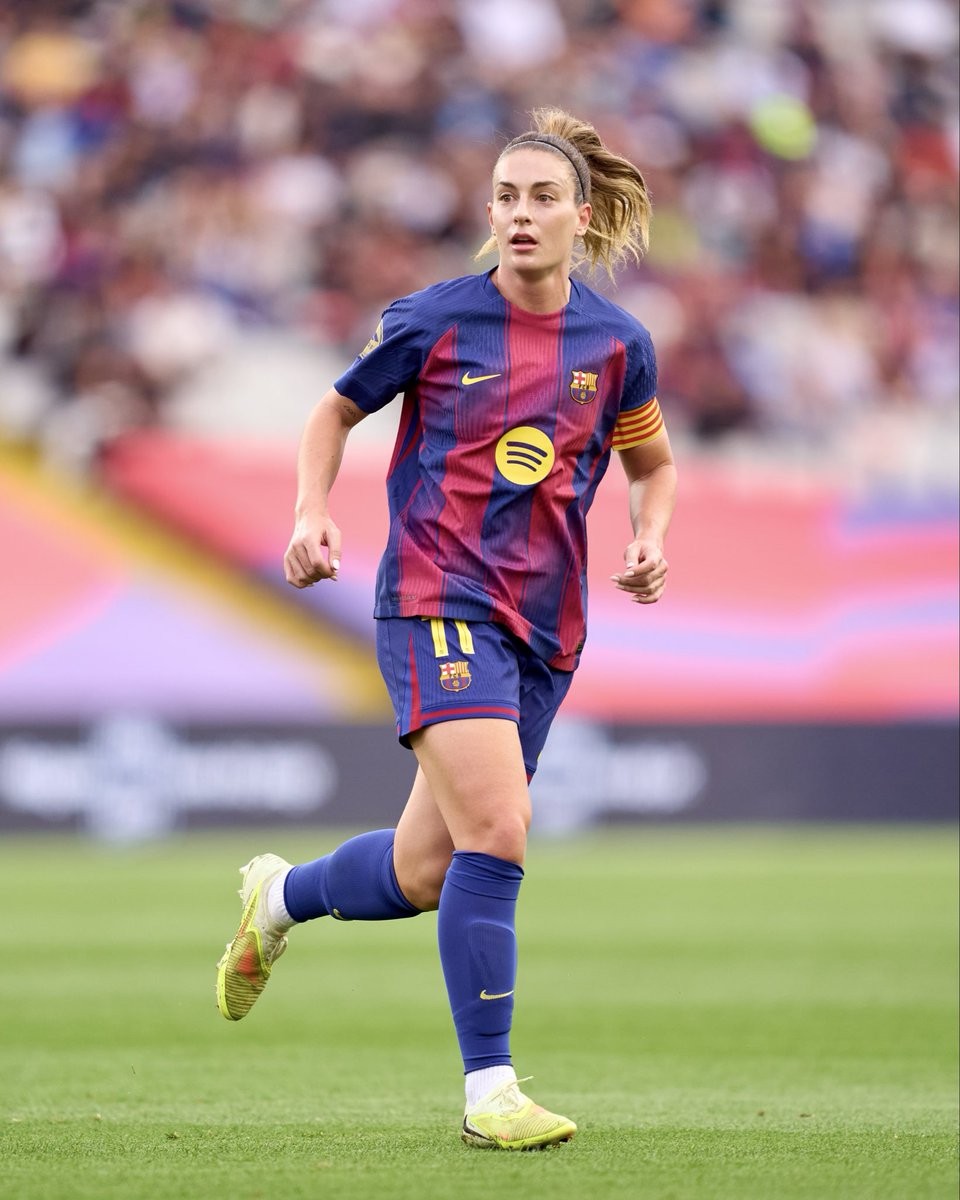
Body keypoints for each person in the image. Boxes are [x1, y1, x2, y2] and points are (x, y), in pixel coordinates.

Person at [215, 107, 677, 1151]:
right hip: (437, 598)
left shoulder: (617, 345)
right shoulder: (432, 320)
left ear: (581, 215)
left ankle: (279, 897)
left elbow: (652, 464)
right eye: (506, 197)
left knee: (426, 871)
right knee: (501, 832)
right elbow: (334, 410)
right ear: (490, 212)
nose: (521, 214)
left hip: (546, 628)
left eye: (542, 197)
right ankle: (490, 1092)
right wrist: (310, 512)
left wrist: (650, 536)